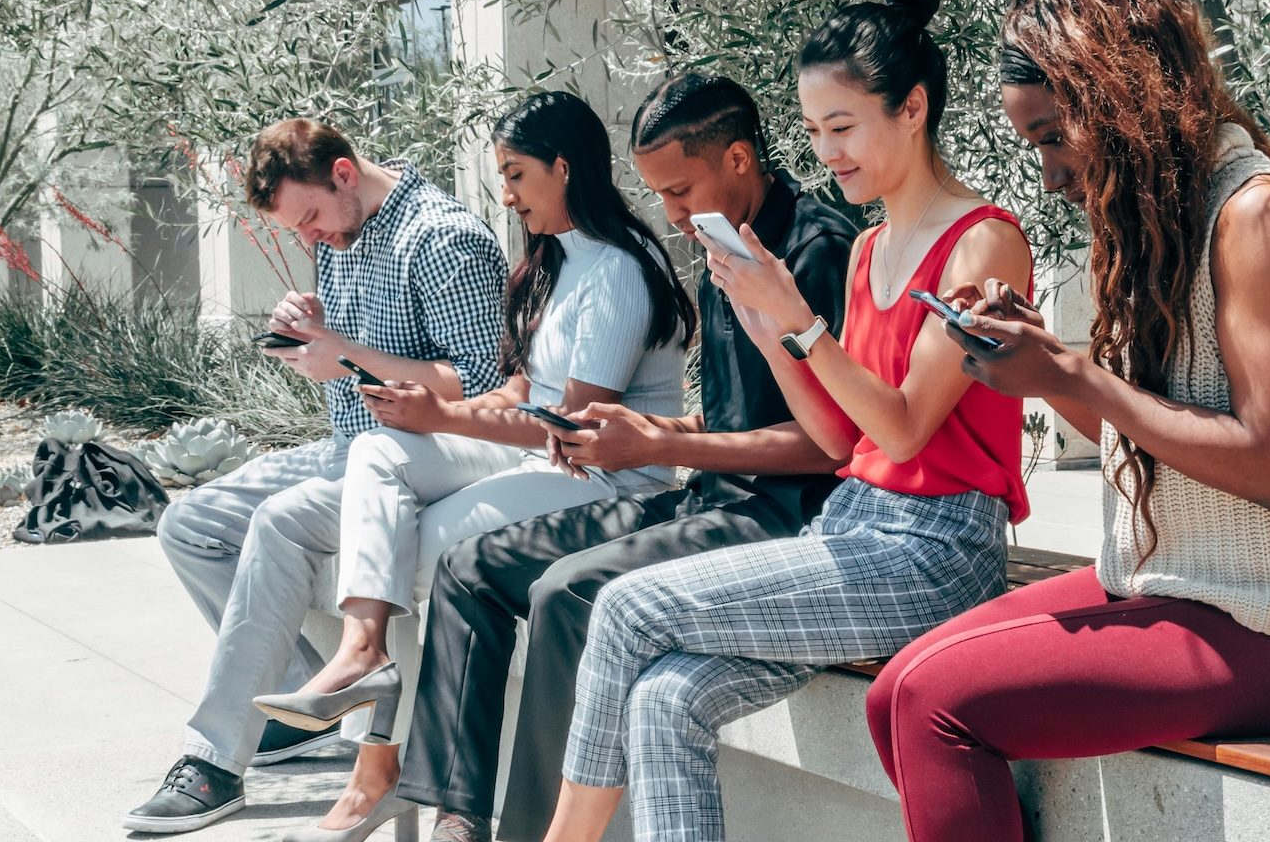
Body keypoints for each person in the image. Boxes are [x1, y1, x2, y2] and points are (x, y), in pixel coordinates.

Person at [862, 0, 1270, 842]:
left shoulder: (1260, 217)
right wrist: (1035, 360)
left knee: (932, 704)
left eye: (1053, 136)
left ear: (1121, 100)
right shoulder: (1152, 218)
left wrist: (1073, 375)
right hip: (1168, 589)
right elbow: (1135, 434)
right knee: (892, 695)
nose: (1050, 174)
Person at [541, 0, 1034, 842]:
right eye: (814, 131)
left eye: (842, 128)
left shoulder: (984, 240)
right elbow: (841, 437)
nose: (827, 151)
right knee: (664, 697)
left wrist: (801, 323)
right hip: (855, 528)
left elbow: (907, 424)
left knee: (624, 609)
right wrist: (765, 321)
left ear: (912, 108)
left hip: (937, 551)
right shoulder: (872, 245)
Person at [396, 73, 858, 842]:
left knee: (569, 593)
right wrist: (647, 431)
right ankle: (457, 814)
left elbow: (829, 445)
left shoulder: (816, 251)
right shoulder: (721, 242)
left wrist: (661, 441)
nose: (671, 214)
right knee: (471, 568)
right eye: (661, 195)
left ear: (739, 158)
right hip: (709, 498)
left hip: (786, 518)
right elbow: (742, 414)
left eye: (680, 190)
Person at [238, 90, 698, 841]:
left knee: (419, 552)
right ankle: (363, 656)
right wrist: (427, 414)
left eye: (516, 175)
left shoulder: (616, 269)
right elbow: (519, 391)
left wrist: (443, 415)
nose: (506, 196)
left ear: (564, 166)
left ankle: (392, 764)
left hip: (603, 480)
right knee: (378, 451)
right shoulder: (553, 259)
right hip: (542, 459)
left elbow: (575, 430)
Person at [127, 119, 508, 834]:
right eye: (296, 231)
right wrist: (310, 324)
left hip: (421, 462)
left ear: (341, 173)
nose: (311, 240)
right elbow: (355, 341)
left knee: (280, 523)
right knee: (189, 524)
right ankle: (303, 707)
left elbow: (482, 385)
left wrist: (351, 358)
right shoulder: (341, 233)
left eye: (309, 220)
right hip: (344, 449)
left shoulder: (444, 239)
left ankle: (214, 761)